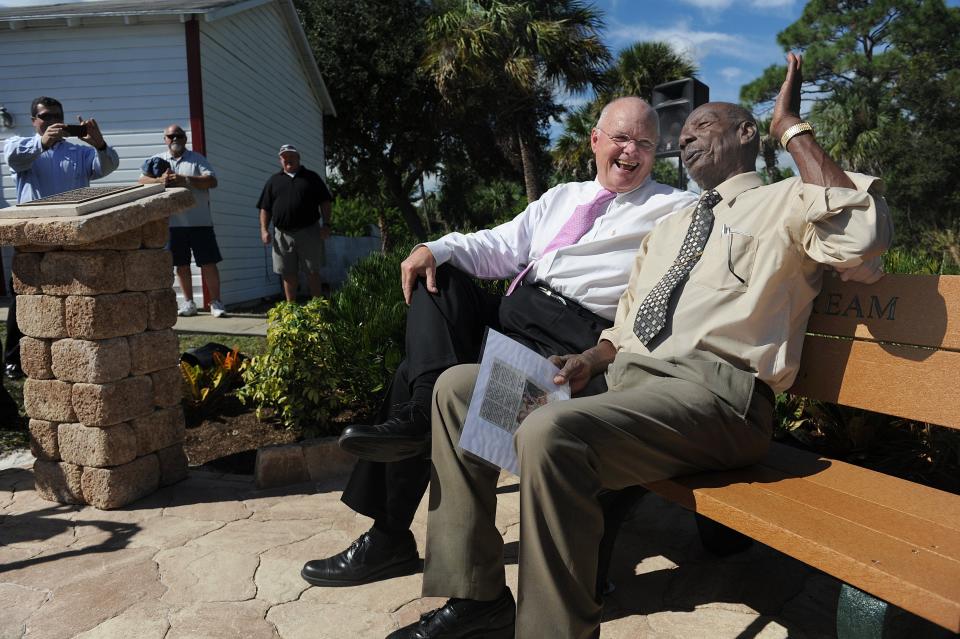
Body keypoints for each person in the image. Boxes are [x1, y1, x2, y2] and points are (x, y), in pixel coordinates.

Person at [389, 53, 891, 638]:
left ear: (746, 133)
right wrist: (588, 360)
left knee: (552, 434)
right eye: (685, 135)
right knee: (457, 391)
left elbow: (862, 240)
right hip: (626, 386)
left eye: (703, 126)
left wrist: (792, 130)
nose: (688, 139)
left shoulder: (788, 200)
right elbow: (625, 326)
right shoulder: (671, 226)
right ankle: (477, 598)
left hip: (717, 401)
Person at [300, 97, 698, 590]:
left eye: (643, 143)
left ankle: (389, 535)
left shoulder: (674, 208)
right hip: (514, 316)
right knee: (438, 276)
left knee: (412, 378)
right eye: (620, 138)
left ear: (655, 152)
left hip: (571, 339)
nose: (630, 152)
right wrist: (435, 247)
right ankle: (425, 410)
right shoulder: (561, 197)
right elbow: (499, 245)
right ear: (595, 140)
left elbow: (728, 214)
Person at [2, 96, 119, 381]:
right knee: (26, 297)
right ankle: (14, 359)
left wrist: (100, 144)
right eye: (46, 116)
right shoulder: (21, 144)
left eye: (58, 116)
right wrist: (43, 143)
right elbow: (13, 159)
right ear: (34, 121)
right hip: (34, 236)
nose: (53, 121)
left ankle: (66, 351)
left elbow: (107, 166)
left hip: (70, 235)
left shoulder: (77, 152)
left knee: (69, 294)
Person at [138, 124, 225, 318]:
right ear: (165, 140)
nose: (174, 139)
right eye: (170, 136)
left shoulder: (197, 159)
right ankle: (188, 303)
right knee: (181, 265)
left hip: (200, 222)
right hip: (173, 224)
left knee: (209, 263)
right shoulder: (157, 160)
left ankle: (216, 302)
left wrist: (185, 179)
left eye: (178, 135)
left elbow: (212, 181)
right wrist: (161, 181)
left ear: (185, 139)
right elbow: (141, 181)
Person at [256, 145, 333, 302]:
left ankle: (317, 308)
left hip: (309, 231)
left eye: (291, 156)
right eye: (284, 157)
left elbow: (325, 202)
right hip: (282, 234)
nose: (288, 159)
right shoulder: (273, 181)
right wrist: (264, 230)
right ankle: (291, 308)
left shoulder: (311, 178)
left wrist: (326, 225)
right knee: (287, 272)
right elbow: (265, 208)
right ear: (280, 160)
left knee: (312, 270)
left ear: (298, 158)